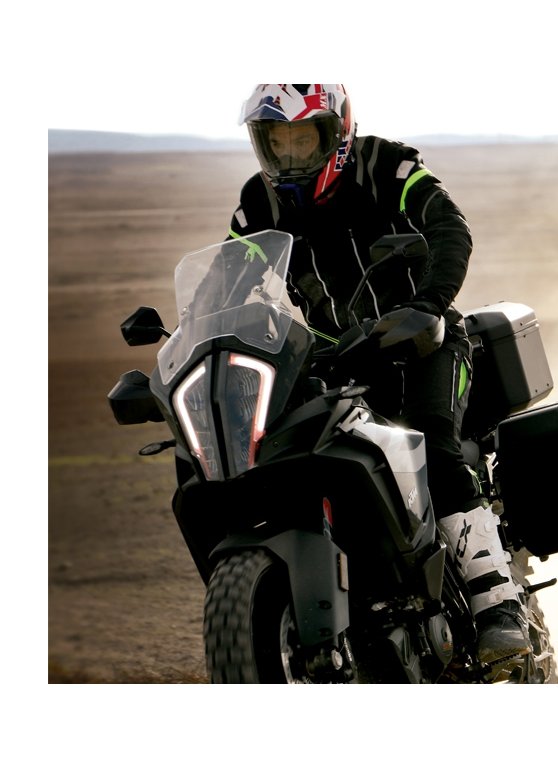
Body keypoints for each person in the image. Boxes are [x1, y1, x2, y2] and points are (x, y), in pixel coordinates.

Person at [226, 84, 531, 665]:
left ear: (337, 133)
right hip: (335, 359)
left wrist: (429, 304)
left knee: (432, 445)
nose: (288, 154)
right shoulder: (256, 203)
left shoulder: (387, 165)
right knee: (287, 455)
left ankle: (498, 606)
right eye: (276, 141)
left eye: (302, 138)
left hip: (423, 340)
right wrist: (202, 341)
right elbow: (229, 281)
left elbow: (449, 227)